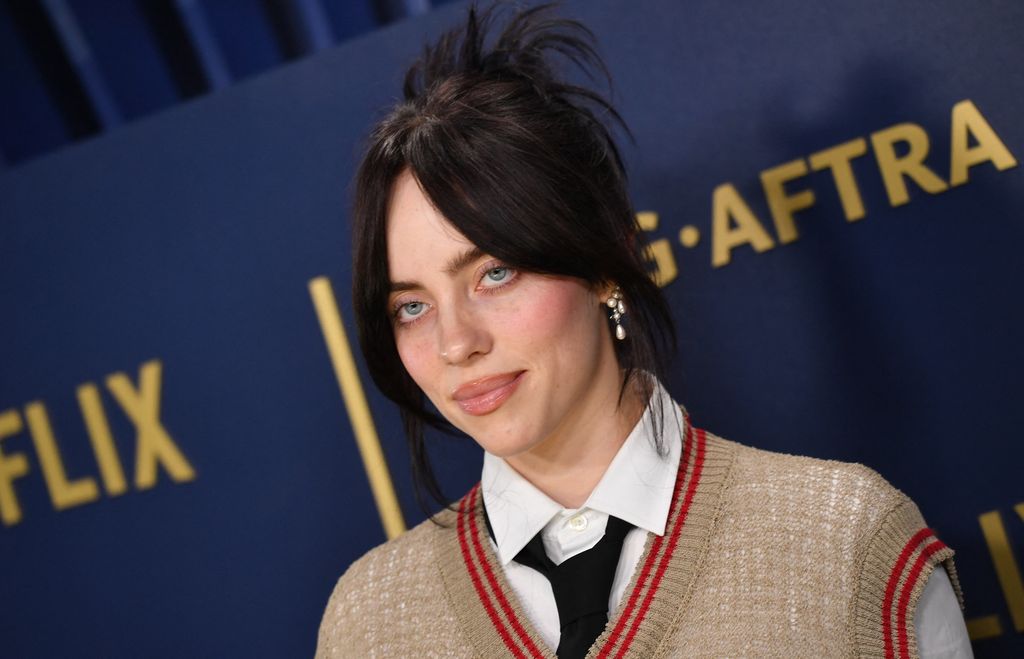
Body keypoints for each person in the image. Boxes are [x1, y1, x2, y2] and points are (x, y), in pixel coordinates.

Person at [316, 4, 972, 657]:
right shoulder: (368, 622)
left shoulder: (844, 543)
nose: (456, 342)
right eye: (412, 306)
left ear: (609, 263)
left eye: (496, 272)